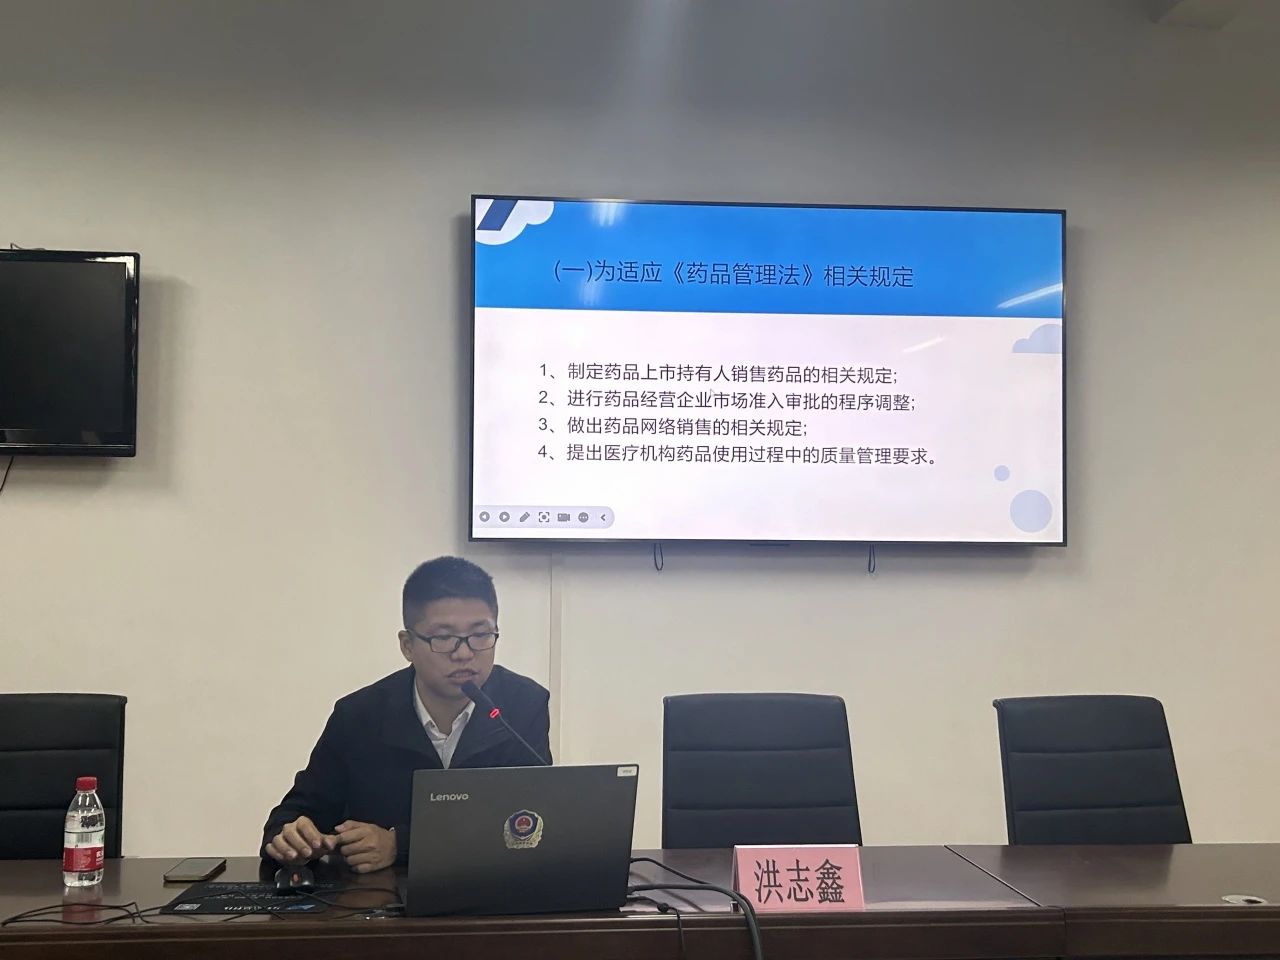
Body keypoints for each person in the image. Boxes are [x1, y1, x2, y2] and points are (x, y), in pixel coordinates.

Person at [261, 556, 551, 873]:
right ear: (407, 645)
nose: (464, 653)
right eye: (443, 638)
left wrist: (400, 844)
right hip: (379, 896)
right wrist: (291, 838)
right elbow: (295, 815)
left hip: (491, 888)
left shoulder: (523, 704)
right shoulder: (359, 716)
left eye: (481, 635)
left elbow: (531, 820)